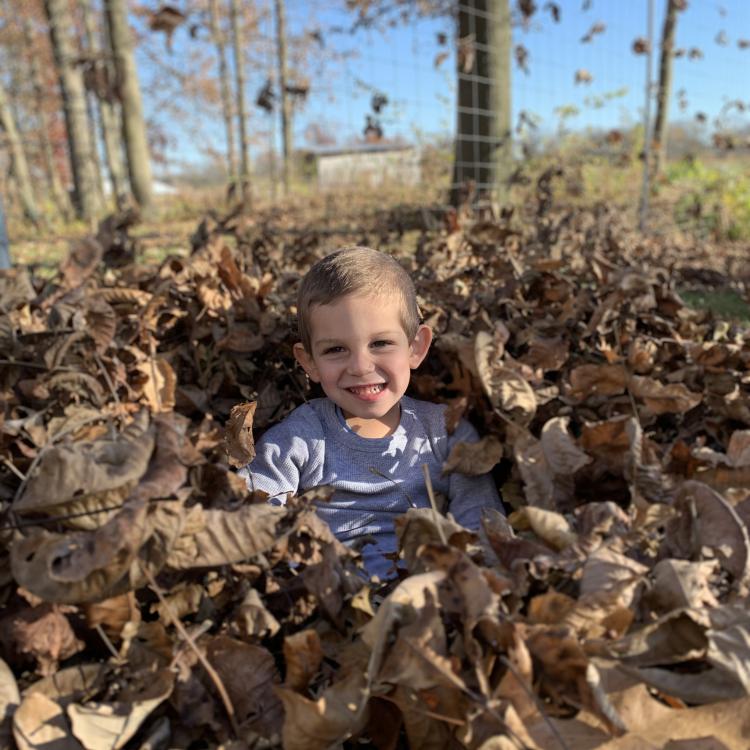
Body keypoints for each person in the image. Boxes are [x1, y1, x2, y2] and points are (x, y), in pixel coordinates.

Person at [238, 246, 503, 579]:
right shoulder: (303, 436)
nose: (361, 367)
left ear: (416, 347)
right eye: (336, 349)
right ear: (309, 362)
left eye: (380, 344)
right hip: (328, 594)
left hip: (429, 593)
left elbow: (481, 526)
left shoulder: (446, 434)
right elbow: (254, 514)